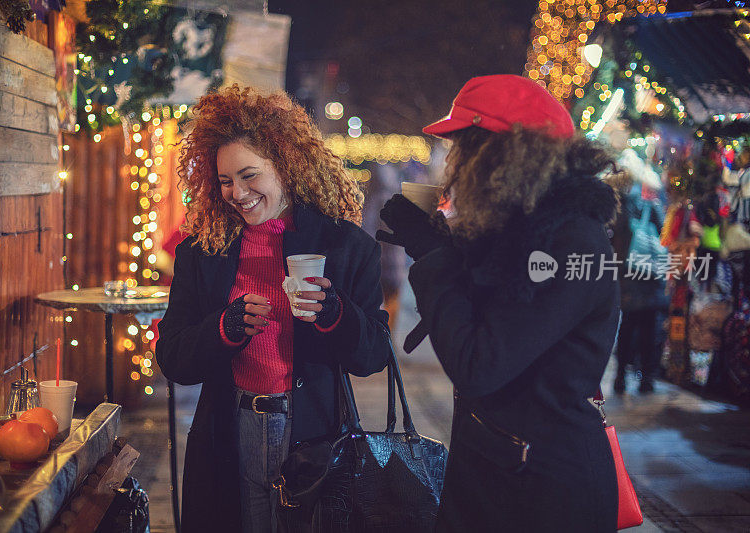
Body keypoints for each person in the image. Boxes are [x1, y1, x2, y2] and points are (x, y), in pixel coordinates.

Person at [377, 75, 621, 532]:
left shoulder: (567, 242)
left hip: (543, 493)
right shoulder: (521, 230)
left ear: (501, 155)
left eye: (461, 147)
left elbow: (480, 363)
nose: (451, 162)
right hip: (500, 475)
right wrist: (443, 244)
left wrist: (436, 260)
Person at [156, 85, 392, 533]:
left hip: (316, 435)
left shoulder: (344, 246)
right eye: (225, 180)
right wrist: (224, 328)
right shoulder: (202, 252)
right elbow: (172, 358)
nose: (236, 192)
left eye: (249, 175)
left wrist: (332, 312)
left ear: (284, 165)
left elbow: (373, 355)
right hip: (229, 430)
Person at [610, 183, 667, 393]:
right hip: (650, 279)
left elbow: (616, 243)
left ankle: (620, 377)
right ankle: (646, 379)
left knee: (627, 328)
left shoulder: (622, 210)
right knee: (649, 331)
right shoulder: (653, 208)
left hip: (629, 279)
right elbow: (663, 238)